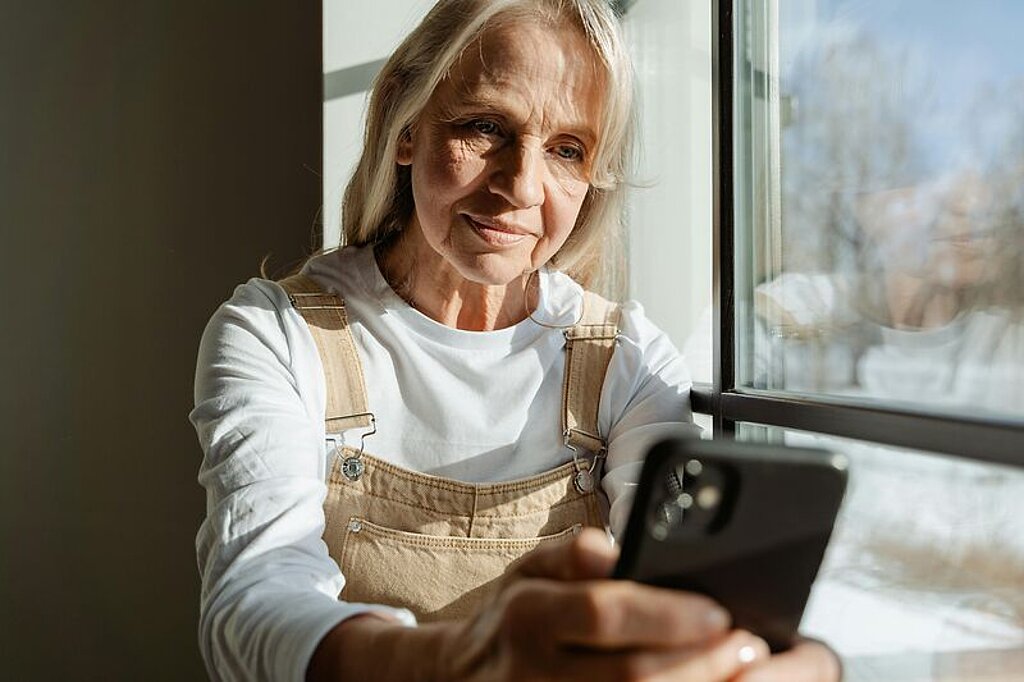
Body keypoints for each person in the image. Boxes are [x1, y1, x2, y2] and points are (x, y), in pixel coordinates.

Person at [190, 1, 841, 680]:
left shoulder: (627, 358)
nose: (520, 186)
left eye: (567, 150)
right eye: (485, 127)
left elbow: (702, 594)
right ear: (406, 125)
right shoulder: (276, 332)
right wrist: (468, 662)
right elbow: (252, 603)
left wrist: (802, 661)